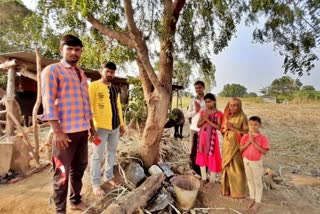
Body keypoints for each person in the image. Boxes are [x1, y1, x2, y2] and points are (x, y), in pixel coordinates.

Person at [40, 34, 97, 213]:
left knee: (79, 168)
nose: (74, 53)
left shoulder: (81, 74)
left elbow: (86, 103)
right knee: (62, 173)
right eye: (70, 49)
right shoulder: (52, 70)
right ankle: (60, 210)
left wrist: (92, 129)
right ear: (61, 50)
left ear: (81, 52)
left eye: (77, 50)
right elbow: (48, 102)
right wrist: (57, 131)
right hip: (64, 133)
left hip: (82, 131)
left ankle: (75, 200)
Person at [89, 61, 126, 196]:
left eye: (112, 72)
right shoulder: (93, 86)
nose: (110, 74)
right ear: (101, 71)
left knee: (112, 152)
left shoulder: (115, 88)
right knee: (97, 155)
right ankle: (95, 183)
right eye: (107, 71)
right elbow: (88, 109)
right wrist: (90, 129)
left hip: (114, 128)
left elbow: (118, 108)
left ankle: (108, 177)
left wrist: (122, 125)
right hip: (99, 129)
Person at [240, 116, 270, 212]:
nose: (253, 127)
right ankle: (252, 198)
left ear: (260, 125)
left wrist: (253, 142)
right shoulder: (245, 136)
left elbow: (264, 151)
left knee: (257, 182)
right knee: (250, 180)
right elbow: (240, 149)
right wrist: (248, 141)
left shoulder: (263, 138)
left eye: (255, 124)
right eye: (251, 124)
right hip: (246, 161)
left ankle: (257, 201)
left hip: (256, 163)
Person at [221, 97, 248, 198]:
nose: (232, 107)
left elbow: (246, 133)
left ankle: (238, 192)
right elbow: (222, 129)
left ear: (239, 106)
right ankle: (226, 190)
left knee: (237, 167)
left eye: (235, 105)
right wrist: (225, 129)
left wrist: (233, 128)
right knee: (226, 167)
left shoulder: (242, 117)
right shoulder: (227, 116)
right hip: (227, 145)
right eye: (231, 105)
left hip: (237, 146)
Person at [196, 93, 223, 184]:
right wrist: (204, 119)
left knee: (212, 157)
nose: (207, 104)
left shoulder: (218, 113)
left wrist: (207, 120)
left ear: (214, 101)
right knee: (202, 155)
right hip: (202, 137)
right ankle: (204, 178)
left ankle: (212, 180)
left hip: (212, 138)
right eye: (206, 102)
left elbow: (218, 127)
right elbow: (198, 125)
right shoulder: (203, 112)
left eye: (209, 102)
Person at [186, 81, 206, 175]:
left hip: (205, 129)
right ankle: (194, 171)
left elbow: (212, 112)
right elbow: (187, 114)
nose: (198, 89)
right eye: (196, 88)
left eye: (200, 87)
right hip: (194, 129)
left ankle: (204, 172)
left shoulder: (208, 100)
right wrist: (195, 111)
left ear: (204, 88)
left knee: (203, 151)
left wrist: (201, 110)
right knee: (193, 151)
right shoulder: (193, 101)